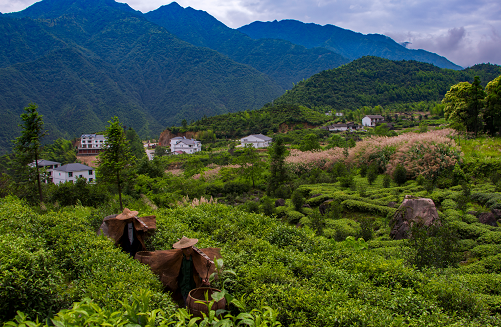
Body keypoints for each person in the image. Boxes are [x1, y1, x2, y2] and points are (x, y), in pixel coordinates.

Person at [172, 236, 210, 306]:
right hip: (183, 287)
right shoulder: (179, 258)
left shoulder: (197, 257)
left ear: (191, 247)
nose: (187, 251)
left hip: (194, 286)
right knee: (186, 304)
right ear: (182, 249)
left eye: (189, 248)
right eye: (185, 249)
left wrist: (204, 279)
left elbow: (201, 270)